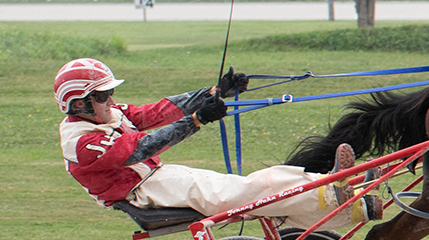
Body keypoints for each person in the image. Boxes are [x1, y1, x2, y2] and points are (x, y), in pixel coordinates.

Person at [55, 58, 381, 230]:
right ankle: (328, 188)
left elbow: (156, 112)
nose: (111, 99)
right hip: (144, 193)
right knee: (246, 192)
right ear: (78, 103)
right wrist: (198, 120)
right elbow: (143, 147)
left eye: (110, 91)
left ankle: (347, 200)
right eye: (102, 95)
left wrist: (215, 93)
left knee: (251, 192)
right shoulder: (83, 143)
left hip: (158, 181)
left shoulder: (108, 115)